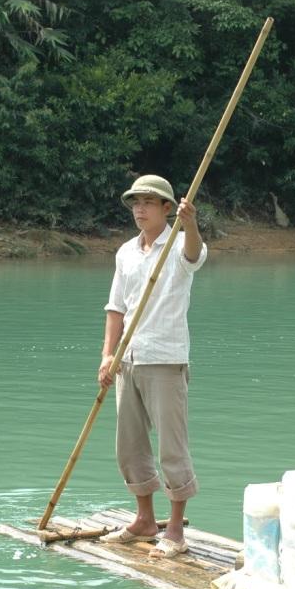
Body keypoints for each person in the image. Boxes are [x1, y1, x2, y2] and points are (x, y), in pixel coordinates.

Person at [97, 174, 206, 559]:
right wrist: (107, 356)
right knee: (129, 445)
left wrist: (190, 223)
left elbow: (194, 255)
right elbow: (116, 308)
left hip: (166, 358)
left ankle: (175, 530)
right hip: (129, 358)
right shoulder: (126, 251)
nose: (139, 209)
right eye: (135, 203)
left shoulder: (177, 244)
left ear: (166, 208)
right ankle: (144, 519)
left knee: (172, 448)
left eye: (148, 202)